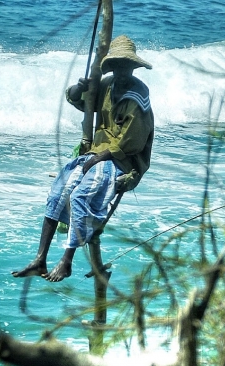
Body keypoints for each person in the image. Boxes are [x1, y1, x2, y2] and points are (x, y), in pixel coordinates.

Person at [12, 35, 154, 282]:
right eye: (117, 65)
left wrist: (97, 158)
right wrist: (81, 87)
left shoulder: (138, 96)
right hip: (96, 153)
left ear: (133, 67)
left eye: (126, 66)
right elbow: (81, 100)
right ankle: (39, 259)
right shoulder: (108, 84)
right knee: (58, 192)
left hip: (120, 160)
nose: (121, 71)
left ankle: (66, 261)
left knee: (80, 196)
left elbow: (132, 143)